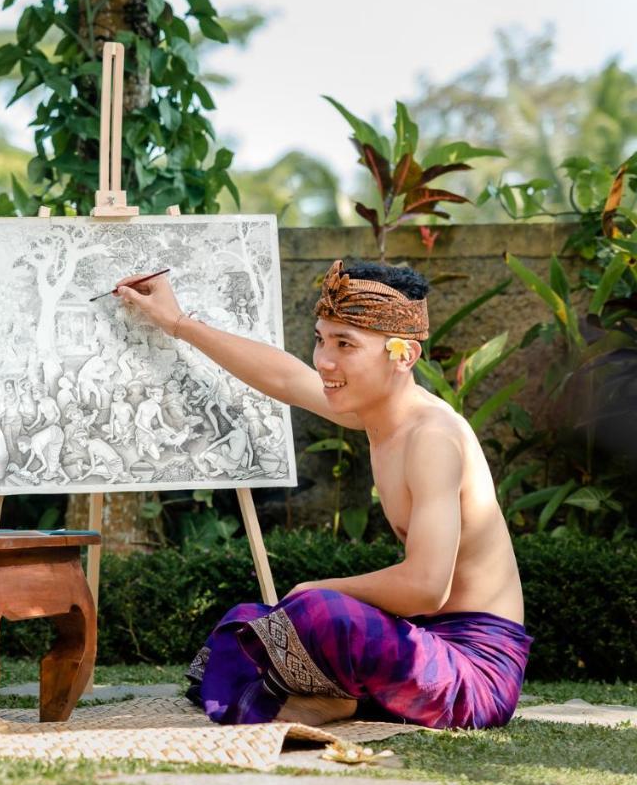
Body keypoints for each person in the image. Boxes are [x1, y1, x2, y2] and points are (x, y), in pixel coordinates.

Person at [115, 259, 530, 729]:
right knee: (242, 626)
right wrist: (177, 323)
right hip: (421, 645)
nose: (324, 360)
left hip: (473, 675)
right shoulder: (375, 412)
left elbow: (427, 587)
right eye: (321, 339)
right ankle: (344, 700)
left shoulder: (432, 438)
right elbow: (286, 378)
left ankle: (331, 698)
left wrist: (320, 588)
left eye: (345, 345)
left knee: (318, 612)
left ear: (404, 355)